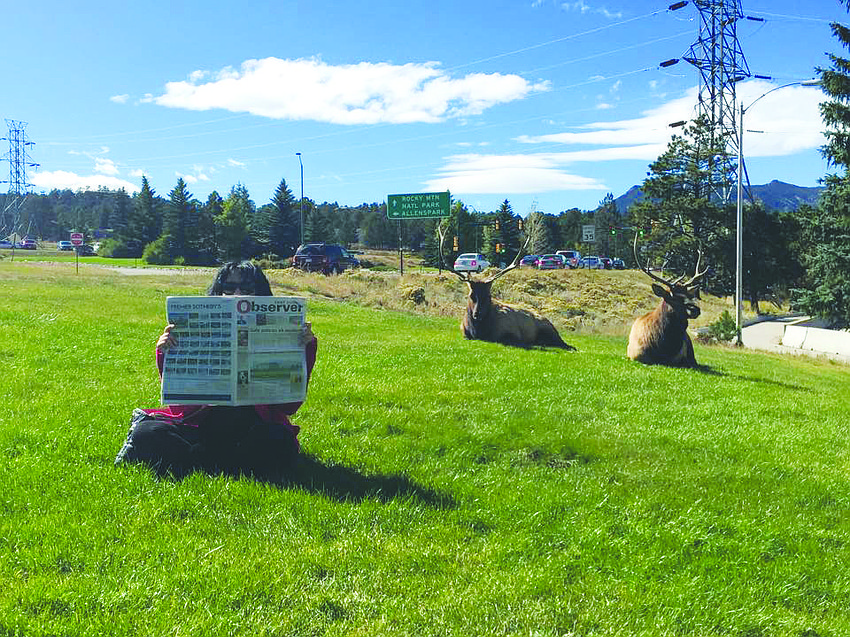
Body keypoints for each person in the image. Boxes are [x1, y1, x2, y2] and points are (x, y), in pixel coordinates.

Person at [115, 261, 318, 479]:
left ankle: (202, 461)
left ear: (260, 292)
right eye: (228, 288)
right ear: (218, 291)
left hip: (252, 426)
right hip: (203, 425)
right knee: (146, 433)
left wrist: (304, 348)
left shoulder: (287, 333)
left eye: (246, 288)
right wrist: (164, 350)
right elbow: (180, 405)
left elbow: (289, 407)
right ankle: (229, 463)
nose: (237, 294)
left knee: (279, 439)